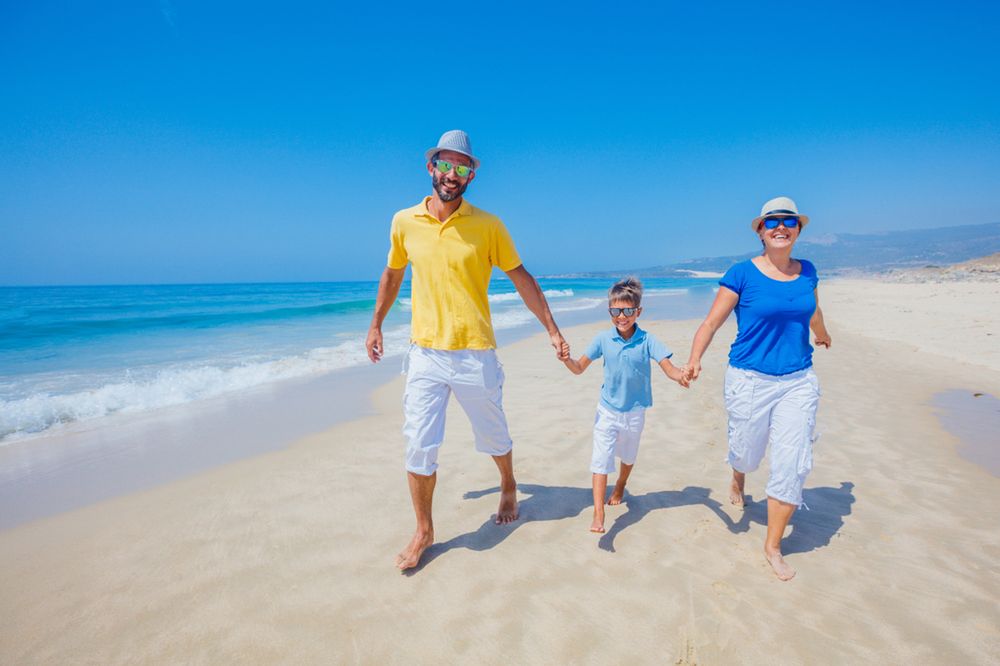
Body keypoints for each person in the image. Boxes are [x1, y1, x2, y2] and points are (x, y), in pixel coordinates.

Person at [366, 130, 568, 571]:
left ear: (471, 175)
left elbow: (522, 278)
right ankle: (424, 530)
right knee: (418, 446)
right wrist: (376, 324)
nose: (452, 175)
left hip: (475, 353)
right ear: (431, 167)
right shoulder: (404, 221)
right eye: (446, 165)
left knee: (493, 436)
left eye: (462, 168)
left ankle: (508, 482)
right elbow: (393, 274)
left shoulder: (489, 226)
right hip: (425, 354)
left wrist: (552, 330)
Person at [684, 196, 832, 581]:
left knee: (792, 461)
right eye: (772, 222)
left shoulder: (808, 271)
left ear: (798, 229)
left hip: (798, 380)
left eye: (788, 221)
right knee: (747, 455)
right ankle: (738, 474)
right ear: (760, 231)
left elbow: (811, 308)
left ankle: (773, 545)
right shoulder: (742, 274)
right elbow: (711, 323)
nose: (780, 227)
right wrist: (695, 357)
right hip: (749, 378)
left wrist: (822, 333)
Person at [562, 277, 689, 534]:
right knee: (600, 460)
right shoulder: (602, 339)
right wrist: (566, 358)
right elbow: (578, 368)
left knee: (628, 457)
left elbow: (669, 368)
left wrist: (681, 375)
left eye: (628, 310)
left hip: (635, 412)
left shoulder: (648, 340)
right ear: (609, 311)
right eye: (616, 310)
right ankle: (599, 513)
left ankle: (620, 484)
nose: (622, 316)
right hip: (607, 410)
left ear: (638, 311)